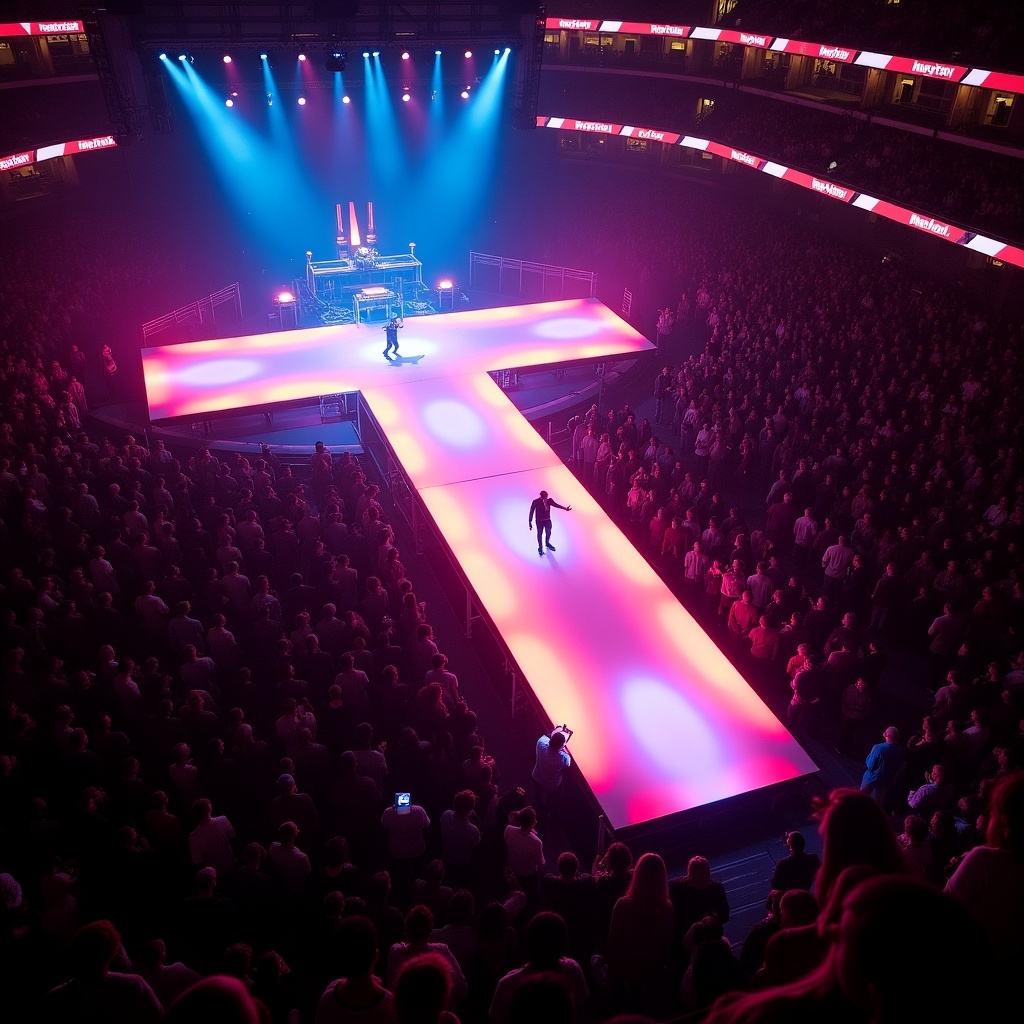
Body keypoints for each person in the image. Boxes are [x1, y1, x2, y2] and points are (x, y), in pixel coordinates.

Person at [531, 726, 571, 823]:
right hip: (551, 785)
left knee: (538, 794)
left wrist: (557, 730)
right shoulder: (561, 758)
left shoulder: (541, 743)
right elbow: (568, 762)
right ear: (561, 746)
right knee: (555, 799)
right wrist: (564, 748)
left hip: (537, 776)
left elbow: (547, 736)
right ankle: (551, 814)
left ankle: (539, 807)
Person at [528, 490, 572, 556]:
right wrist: (530, 521)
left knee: (548, 532)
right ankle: (540, 548)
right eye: (545, 497)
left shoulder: (549, 501)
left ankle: (547, 543)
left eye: (546, 497)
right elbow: (531, 511)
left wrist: (565, 508)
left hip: (547, 520)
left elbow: (556, 505)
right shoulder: (536, 502)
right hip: (539, 521)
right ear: (542, 497)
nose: (546, 498)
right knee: (539, 534)